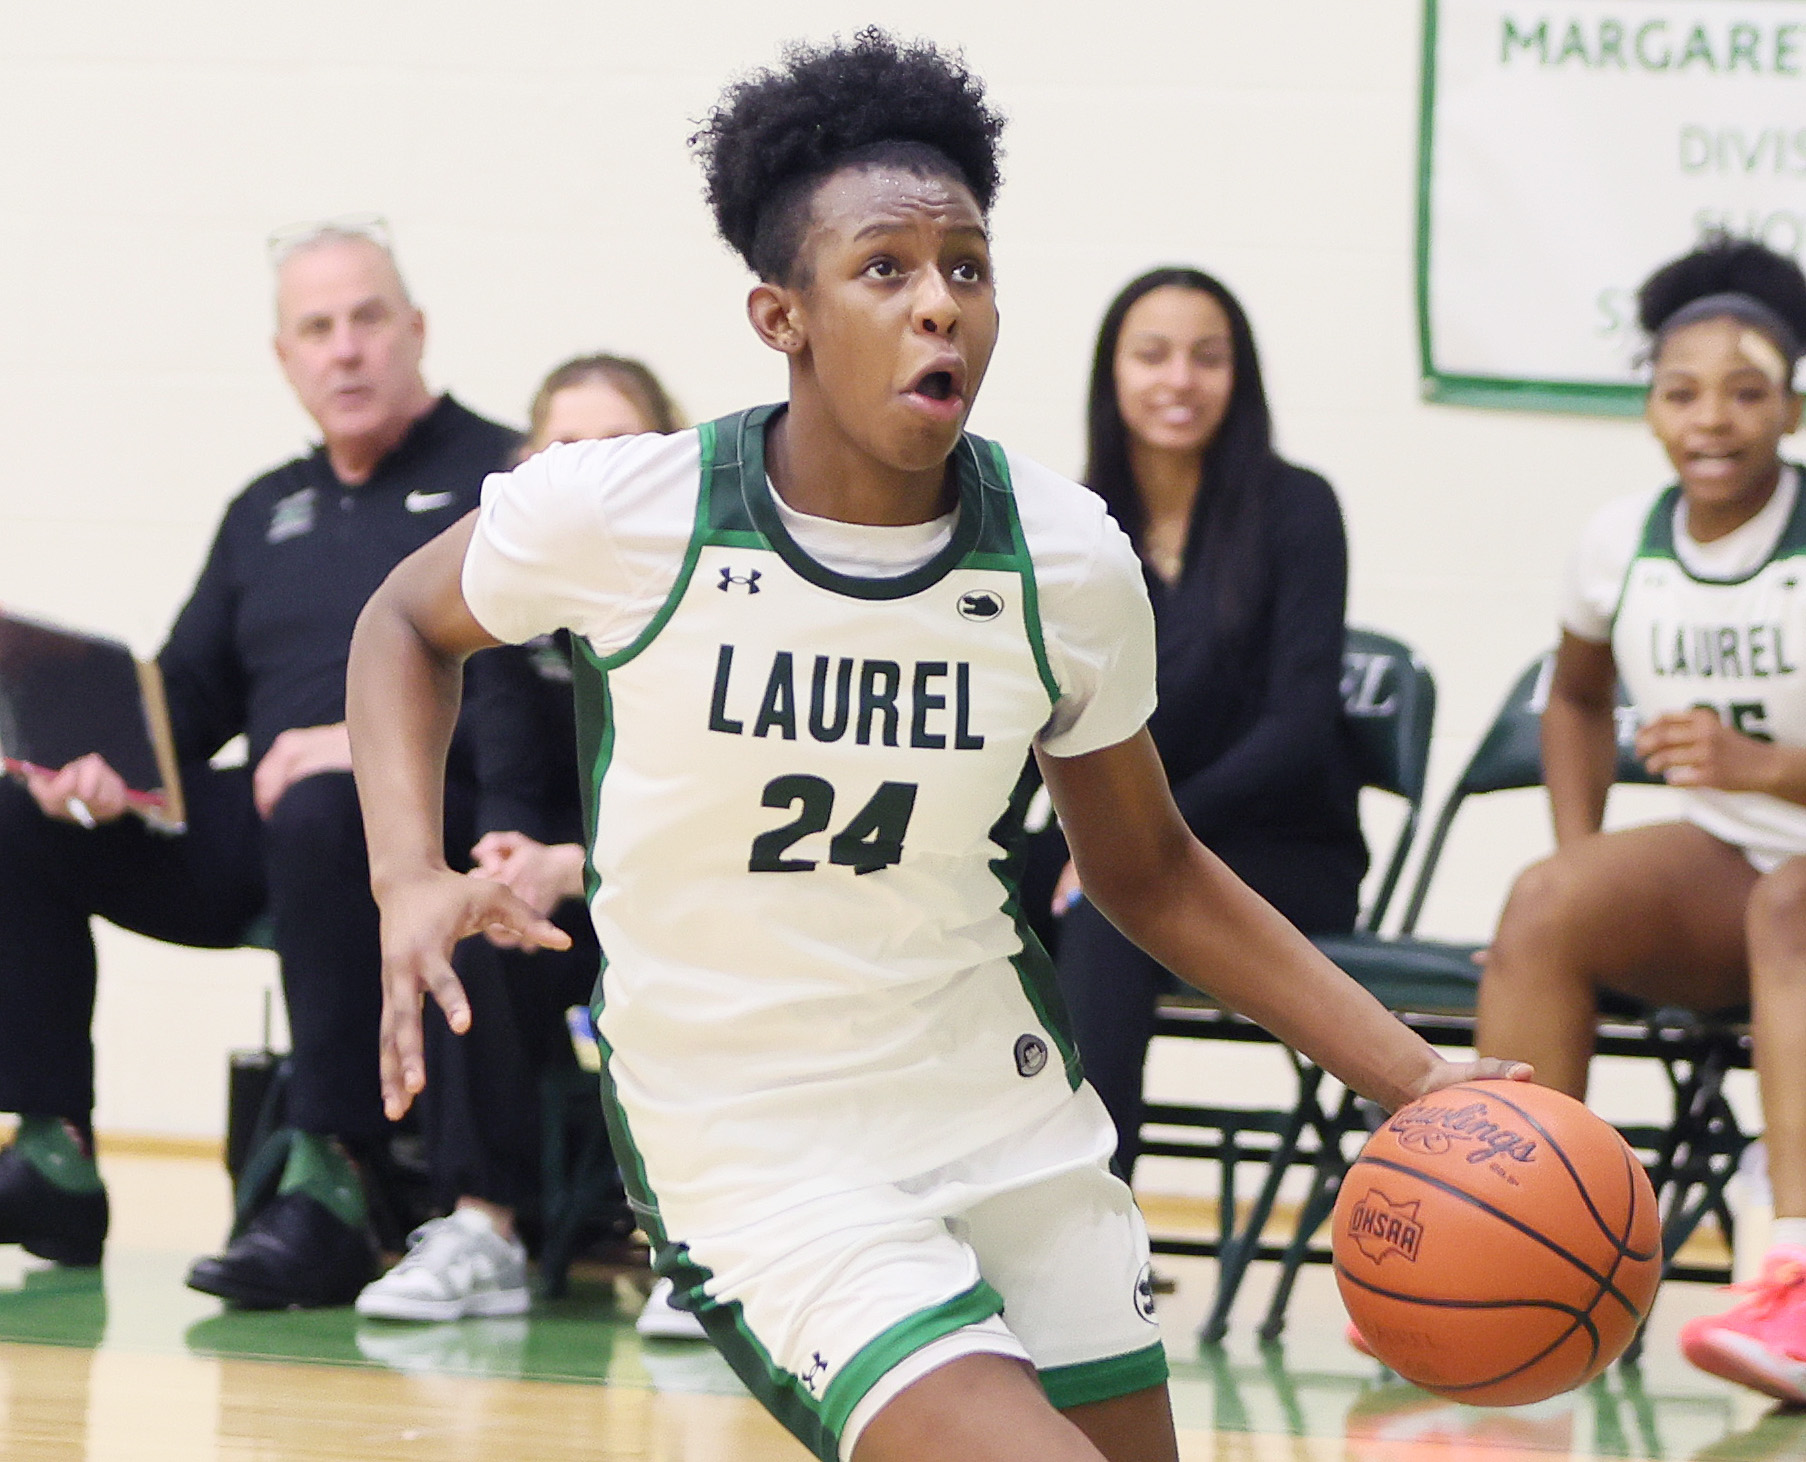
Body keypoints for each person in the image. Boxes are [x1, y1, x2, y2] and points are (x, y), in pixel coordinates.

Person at [344, 31, 1526, 1462]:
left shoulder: (1063, 558)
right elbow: (405, 622)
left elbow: (1148, 871)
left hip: (1003, 1108)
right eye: (884, 270)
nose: (937, 308)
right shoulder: (628, 512)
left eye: (965, 267)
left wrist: (1415, 1076)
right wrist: (405, 867)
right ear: (779, 314)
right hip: (757, 1138)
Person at [0, 217, 517, 1308]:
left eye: (367, 320)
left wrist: (369, 742)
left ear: (415, 330)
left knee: (330, 797)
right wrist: (94, 769)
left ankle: (329, 1181)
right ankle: (53, 1151)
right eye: (315, 330)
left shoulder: (500, 477)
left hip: (431, 816)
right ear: (284, 359)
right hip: (280, 819)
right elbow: (185, 705)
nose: (345, 350)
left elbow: (540, 703)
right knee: (18, 813)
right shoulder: (261, 511)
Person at [1474, 234, 1806, 1405]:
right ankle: (1514, 1259)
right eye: (1681, 392)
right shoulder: (1620, 541)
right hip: (1735, 875)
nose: (1711, 417)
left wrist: (1768, 766)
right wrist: (1586, 848)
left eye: (1746, 391)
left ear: (1794, 405)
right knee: (1548, 905)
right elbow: (1575, 695)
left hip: (1792, 881)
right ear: (1651, 410)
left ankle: (1796, 1278)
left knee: (1793, 899)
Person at [354, 353, 693, 1326]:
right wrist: (507, 865)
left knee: (693, 954)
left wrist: (574, 867)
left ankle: (697, 1244)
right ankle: (480, 1225)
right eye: (563, 447)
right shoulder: (506, 604)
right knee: (480, 928)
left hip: (678, 902)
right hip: (561, 905)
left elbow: (710, 823)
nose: (585, 472)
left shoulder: (709, 607)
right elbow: (506, 782)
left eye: (612, 446)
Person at [1049, 267, 1366, 1179]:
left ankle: (1093, 1217)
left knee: (1117, 903)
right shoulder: (1075, 523)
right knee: (960, 886)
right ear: (1113, 375)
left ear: (1241, 377)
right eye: (1152, 355)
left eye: (1207, 357)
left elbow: (1299, 730)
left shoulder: (1299, 508)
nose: (1178, 379)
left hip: (1279, 852)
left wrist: (1135, 832)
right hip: (1123, 840)